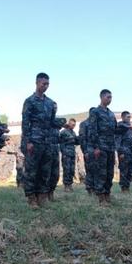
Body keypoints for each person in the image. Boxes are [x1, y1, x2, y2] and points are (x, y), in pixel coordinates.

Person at [21, 73, 57, 208]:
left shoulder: (50, 103)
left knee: (45, 170)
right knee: (31, 170)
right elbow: (25, 123)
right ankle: (31, 198)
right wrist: (28, 141)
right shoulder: (29, 101)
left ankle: (42, 196)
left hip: (47, 142)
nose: (46, 86)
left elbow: (52, 122)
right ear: (37, 83)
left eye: (48, 84)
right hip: (34, 141)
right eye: (43, 84)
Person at [87, 89, 117, 205]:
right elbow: (92, 131)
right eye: (108, 97)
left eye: (111, 97)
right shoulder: (95, 112)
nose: (110, 99)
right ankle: (100, 196)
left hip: (110, 147)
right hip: (101, 147)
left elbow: (114, 130)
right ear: (102, 97)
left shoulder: (111, 113)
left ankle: (107, 194)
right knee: (101, 172)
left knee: (110, 173)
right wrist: (96, 147)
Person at [116, 111, 132, 193]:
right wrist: (120, 153)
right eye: (128, 117)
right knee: (124, 170)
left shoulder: (129, 127)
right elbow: (117, 142)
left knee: (130, 170)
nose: (129, 118)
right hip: (123, 152)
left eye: (130, 117)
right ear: (123, 117)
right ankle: (123, 188)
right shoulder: (120, 127)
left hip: (131, 152)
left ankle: (127, 187)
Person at [59, 118, 78, 192]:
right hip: (66, 153)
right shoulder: (63, 132)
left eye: (74, 125)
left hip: (72, 153)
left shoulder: (73, 132)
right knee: (67, 169)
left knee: (71, 170)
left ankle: (70, 184)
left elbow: (76, 141)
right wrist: (63, 153)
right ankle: (66, 186)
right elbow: (61, 143)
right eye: (72, 124)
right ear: (69, 124)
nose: (73, 126)